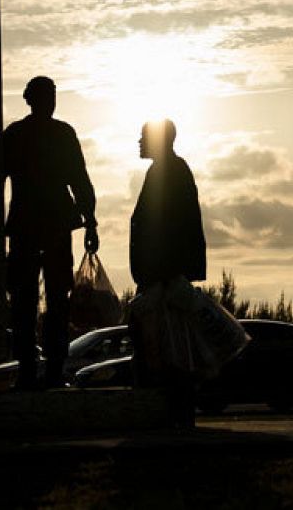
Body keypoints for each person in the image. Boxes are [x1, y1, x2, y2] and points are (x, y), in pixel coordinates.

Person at [2, 76, 97, 389]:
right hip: (37, 229)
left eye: (53, 95)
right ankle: (34, 370)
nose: (51, 101)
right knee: (29, 302)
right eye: (47, 95)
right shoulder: (24, 135)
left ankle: (48, 370)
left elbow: (80, 181)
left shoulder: (36, 134)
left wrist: (91, 220)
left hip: (46, 229)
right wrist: (90, 220)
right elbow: (80, 182)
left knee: (52, 301)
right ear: (32, 99)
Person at [128, 117, 206, 426]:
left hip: (163, 274)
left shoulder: (169, 172)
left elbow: (172, 225)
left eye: (144, 136)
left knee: (167, 345)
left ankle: (171, 411)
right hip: (162, 273)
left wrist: (165, 275)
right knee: (163, 343)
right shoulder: (167, 170)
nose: (139, 141)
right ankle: (169, 410)